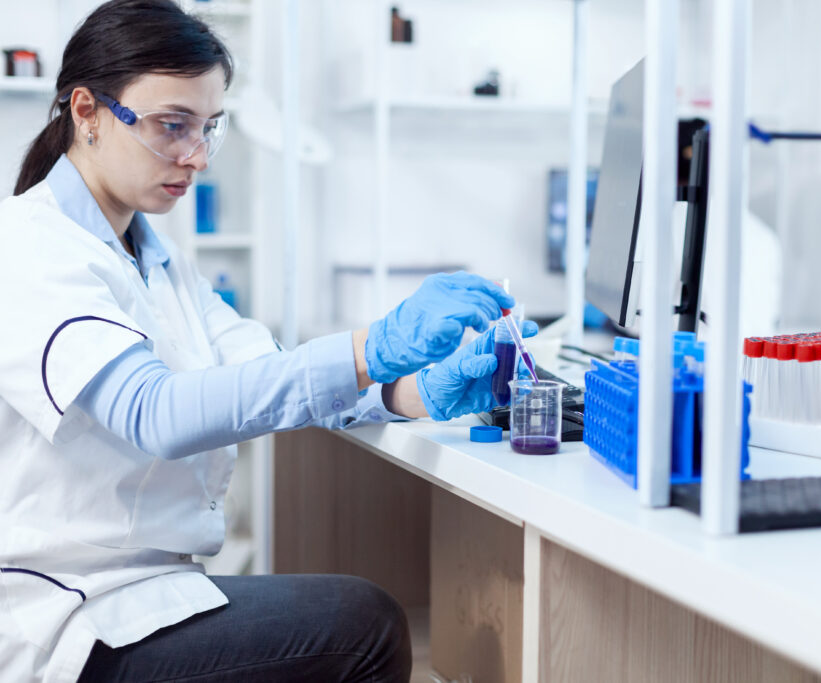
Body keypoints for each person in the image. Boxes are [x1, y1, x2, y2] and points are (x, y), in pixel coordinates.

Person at [0, 1, 536, 681]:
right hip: (68, 621)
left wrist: (412, 390)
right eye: (172, 126)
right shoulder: (27, 244)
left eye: (207, 129)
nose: (195, 156)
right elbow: (153, 413)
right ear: (87, 112)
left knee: (360, 611)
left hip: (136, 594)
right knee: (365, 622)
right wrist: (371, 345)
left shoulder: (158, 259)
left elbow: (274, 374)